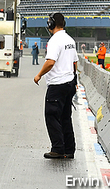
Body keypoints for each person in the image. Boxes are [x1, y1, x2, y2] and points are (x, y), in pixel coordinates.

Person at [33, 12, 78, 160]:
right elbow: (75, 63)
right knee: (65, 117)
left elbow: (50, 62)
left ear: (51, 24)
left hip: (57, 85)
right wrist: (73, 78)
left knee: (52, 115)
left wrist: (39, 74)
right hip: (70, 82)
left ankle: (58, 148)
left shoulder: (55, 41)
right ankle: (69, 149)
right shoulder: (70, 40)